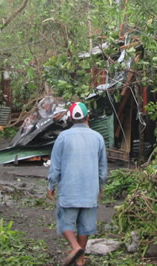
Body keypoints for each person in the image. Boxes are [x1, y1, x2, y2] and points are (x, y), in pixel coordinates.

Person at [47, 102, 107, 266]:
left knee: (65, 222)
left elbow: (55, 166)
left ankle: (74, 248)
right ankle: (80, 261)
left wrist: (51, 186)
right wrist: (100, 186)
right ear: (88, 117)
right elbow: (102, 167)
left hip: (69, 189)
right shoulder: (98, 138)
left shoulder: (63, 137)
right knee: (85, 226)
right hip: (90, 191)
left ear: (71, 119)